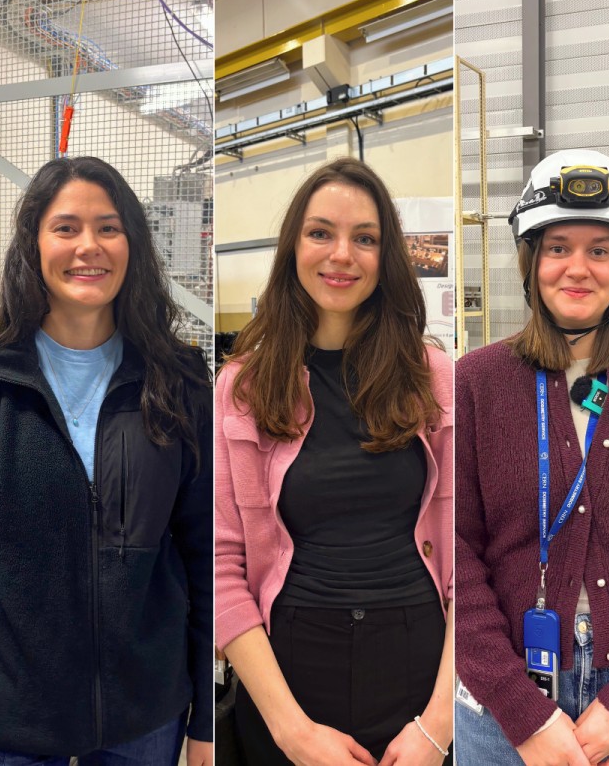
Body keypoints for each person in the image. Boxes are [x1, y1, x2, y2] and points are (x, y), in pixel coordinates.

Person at [454, 149, 609, 766]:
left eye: (600, 250)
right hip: (506, 699)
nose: (578, 268)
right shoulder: (476, 382)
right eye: (558, 247)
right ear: (531, 261)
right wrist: (519, 709)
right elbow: (455, 552)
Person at [0, 156, 213, 765]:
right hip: (14, 718)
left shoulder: (179, 381)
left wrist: (207, 720)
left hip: (147, 714)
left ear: (132, 244)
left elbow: (205, 551)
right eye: (66, 228)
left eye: (108, 227)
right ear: (33, 243)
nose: (89, 246)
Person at [215, 157, 454, 764]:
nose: (342, 255)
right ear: (294, 246)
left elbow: (469, 556)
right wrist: (290, 730)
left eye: (365, 238)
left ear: (386, 256)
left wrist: (438, 727)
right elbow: (220, 563)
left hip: (418, 672)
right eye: (321, 232)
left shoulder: (433, 378)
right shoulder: (244, 387)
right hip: (289, 674)